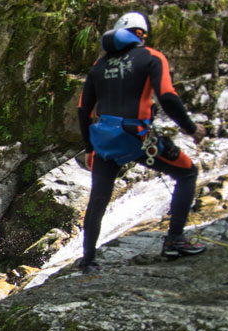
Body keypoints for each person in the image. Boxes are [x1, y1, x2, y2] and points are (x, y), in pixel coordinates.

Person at [77, 11, 207, 273]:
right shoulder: (151, 56)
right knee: (187, 173)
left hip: (105, 141)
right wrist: (191, 128)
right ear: (141, 34)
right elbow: (168, 97)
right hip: (137, 138)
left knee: (98, 199)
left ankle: (88, 259)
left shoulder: (98, 66)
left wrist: (90, 149)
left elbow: (83, 111)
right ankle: (174, 240)